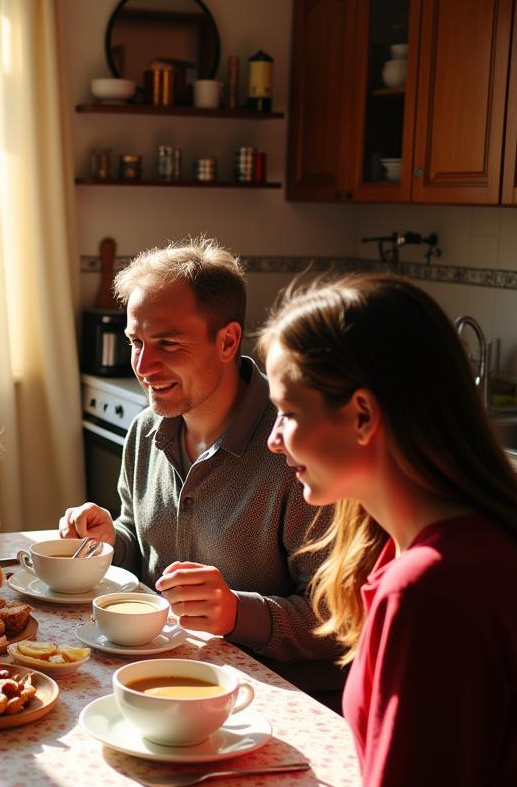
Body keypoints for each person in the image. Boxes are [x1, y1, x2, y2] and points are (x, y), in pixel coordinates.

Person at [259, 274, 517, 787]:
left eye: (289, 413)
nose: (275, 439)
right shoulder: (433, 546)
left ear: (361, 414)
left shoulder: (430, 591)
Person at [61, 239, 340, 686]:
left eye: (168, 343)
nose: (144, 365)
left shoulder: (294, 449)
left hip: (269, 697)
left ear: (227, 340)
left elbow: (339, 621)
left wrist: (236, 612)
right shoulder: (146, 430)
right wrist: (113, 538)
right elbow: (146, 552)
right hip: (163, 678)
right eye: (136, 342)